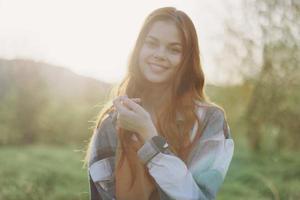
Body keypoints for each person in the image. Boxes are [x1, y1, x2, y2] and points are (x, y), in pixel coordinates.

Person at [85, 7, 234, 200]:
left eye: (174, 49)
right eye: (152, 44)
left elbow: (198, 197)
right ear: (139, 48)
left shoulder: (209, 121)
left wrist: (150, 138)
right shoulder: (112, 122)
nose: (160, 54)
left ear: (187, 60)